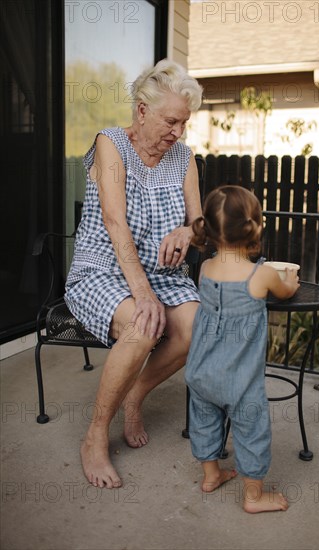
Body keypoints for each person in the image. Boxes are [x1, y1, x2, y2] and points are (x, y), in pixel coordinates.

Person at [64, 59, 203, 489]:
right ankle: (94, 437)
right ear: (142, 111)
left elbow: (202, 226)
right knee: (144, 325)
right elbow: (114, 221)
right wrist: (143, 296)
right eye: (171, 121)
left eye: (184, 122)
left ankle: (135, 394)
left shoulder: (184, 158)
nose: (178, 132)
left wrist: (187, 230)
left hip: (162, 275)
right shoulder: (111, 144)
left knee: (200, 325)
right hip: (103, 270)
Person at [184, 185, 299, 513]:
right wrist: (290, 279)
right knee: (252, 431)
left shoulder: (205, 270)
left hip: (201, 371)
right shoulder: (260, 275)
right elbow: (286, 291)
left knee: (204, 422)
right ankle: (253, 497)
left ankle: (211, 475)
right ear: (254, 226)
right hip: (240, 382)